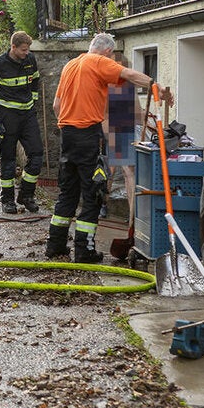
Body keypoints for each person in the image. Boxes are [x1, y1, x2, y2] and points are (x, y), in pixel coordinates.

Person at [46, 33, 173, 263]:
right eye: (111, 55)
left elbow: (57, 105)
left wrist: (68, 125)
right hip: (87, 135)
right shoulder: (99, 62)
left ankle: (55, 246)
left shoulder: (70, 65)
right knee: (92, 193)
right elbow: (129, 74)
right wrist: (157, 87)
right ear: (107, 52)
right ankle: (84, 250)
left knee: (68, 192)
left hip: (68, 135)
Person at [0, 31, 44, 215]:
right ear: (13, 47)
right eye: (23, 50)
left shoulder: (30, 59)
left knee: (37, 155)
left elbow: (35, 79)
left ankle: (26, 195)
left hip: (28, 115)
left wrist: (33, 101)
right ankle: (7, 200)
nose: (26, 53)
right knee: (8, 160)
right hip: (8, 117)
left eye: (28, 50)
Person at [101, 52, 141, 229]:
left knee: (127, 172)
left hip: (125, 127)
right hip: (113, 127)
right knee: (110, 171)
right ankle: (103, 204)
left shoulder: (126, 85)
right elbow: (103, 113)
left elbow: (137, 112)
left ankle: (132, 216)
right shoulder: (108, 85)